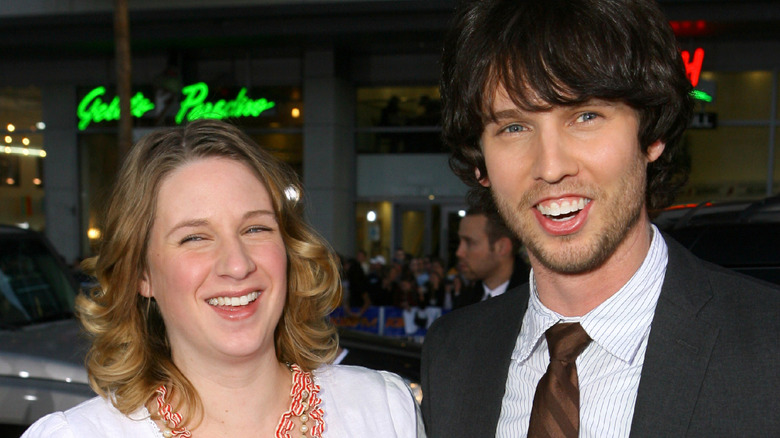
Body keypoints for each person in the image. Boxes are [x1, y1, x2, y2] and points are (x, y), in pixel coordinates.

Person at [421, 0, 780, 437]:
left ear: (652, 134)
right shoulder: (453, 352)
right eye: (513, 127)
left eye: (585, 116)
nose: (551, 166)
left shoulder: (769, 346)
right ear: (481, 162)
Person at [23, 119, 424, 438]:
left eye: (256, 229)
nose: (237, 264)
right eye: (195, 237)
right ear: (141, 275)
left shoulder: (382, 410)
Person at [454, 205, 530, 308]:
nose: (459, 252)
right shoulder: (465, 302)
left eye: (470, 242)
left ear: (502, 247)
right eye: (460, 242)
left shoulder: (535, 303)